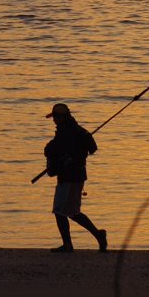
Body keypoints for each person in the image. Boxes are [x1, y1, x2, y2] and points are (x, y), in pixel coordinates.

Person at [43, 102, 107, 253]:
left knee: (60, 210)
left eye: (55, 118)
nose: (53, 121)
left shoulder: (65, 133)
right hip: (78, 176)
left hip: (69, 178)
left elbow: (49, 150)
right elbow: (93, 148)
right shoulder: (79, 131)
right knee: (71, 211)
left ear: (61, 117)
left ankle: (68, 245)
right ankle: (97, 235)